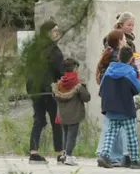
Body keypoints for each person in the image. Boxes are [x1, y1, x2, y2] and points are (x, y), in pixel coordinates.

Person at [98, 45, 140, 169]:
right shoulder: (130, 72)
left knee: (111, 132)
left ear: (118, 56)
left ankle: (105, 155)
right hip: (125, 108)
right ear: (131, 59)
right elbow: (137, 89)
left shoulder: (109, 70)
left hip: (110, 106)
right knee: (131, 135)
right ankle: (135, 160)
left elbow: (102, 87)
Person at [25, 20, 64, 163]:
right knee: (56, 121)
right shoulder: (53, 50)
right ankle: (60, 153)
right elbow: (60, 70)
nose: (57, 34)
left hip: (35, 89)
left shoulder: (33, 48)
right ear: (47, 32)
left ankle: (33, 152)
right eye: (54, 31)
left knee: (39, 120)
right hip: (49, 90)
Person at [95, 29, 127, 166]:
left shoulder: (108, 54)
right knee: (116, 127)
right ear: (120, 41)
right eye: (124, 38)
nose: (126, 40)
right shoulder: (117, 57)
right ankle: (111, 156)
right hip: (117, 95)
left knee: (112, 125)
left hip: (108, 95)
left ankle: (113, 155)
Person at [52, 57, 91, 166]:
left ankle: (65, 154)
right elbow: (86, 97)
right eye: (77, 68)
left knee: (65, 134)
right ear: (74, 69)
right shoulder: (77, 83)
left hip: (62, 114)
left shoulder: (59, 83)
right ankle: (68, 156)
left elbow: (55, 96)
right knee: (71, 135)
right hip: (74, 114)